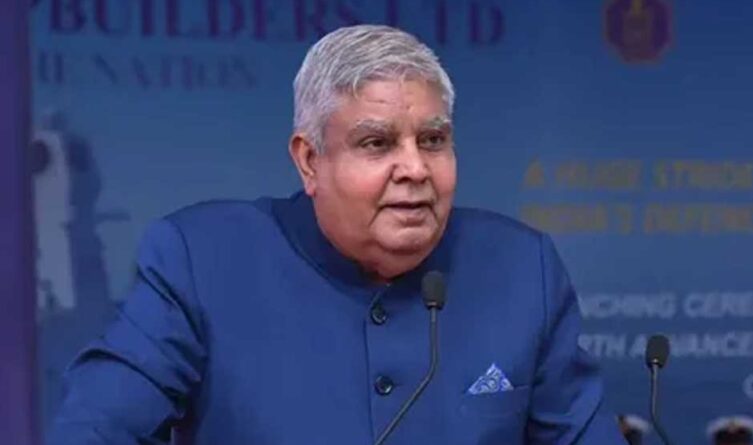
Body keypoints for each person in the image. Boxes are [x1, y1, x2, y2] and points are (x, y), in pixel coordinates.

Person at [48, 24, 625, 444]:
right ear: (309, 161)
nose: (415, 168)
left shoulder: (521, 268)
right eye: (377, 143)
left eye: (432, 140)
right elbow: (93, 430)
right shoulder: (200, 260)